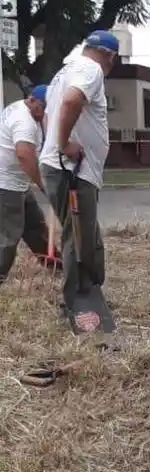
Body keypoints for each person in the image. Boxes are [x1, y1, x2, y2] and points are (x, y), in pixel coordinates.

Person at [40, 29, 119, 309]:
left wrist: (55, 143)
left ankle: (93, 290)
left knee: (87, 231)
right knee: (78, 234)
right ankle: (77, 301)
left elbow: (49, 115)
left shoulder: (63, 73)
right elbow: (72, 102)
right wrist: (63, 145)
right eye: (114, 60)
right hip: (71, 169)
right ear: (109, 55)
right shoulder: (91, 69)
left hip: (71, 168)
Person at [0, 84, 58, 283]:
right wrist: (44, 185)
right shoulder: (24, 121)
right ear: (31, 100)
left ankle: (57, 267)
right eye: (42, 107)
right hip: (6, 185)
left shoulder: (27, 112)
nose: (44, 113)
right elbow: (24, 156)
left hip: (19, 183)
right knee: (8, 236)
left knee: (36, 227)